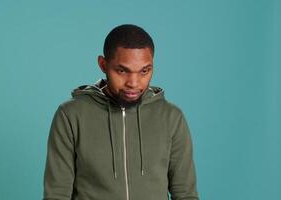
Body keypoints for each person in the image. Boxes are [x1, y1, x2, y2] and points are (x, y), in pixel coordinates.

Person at [43, 24, 199, 200]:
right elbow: (56, 194)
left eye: (144, 71)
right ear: (103, 64)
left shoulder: (171, 117)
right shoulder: (71, 115)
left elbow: (185, 194)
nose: (134, 82)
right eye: (122, 70)